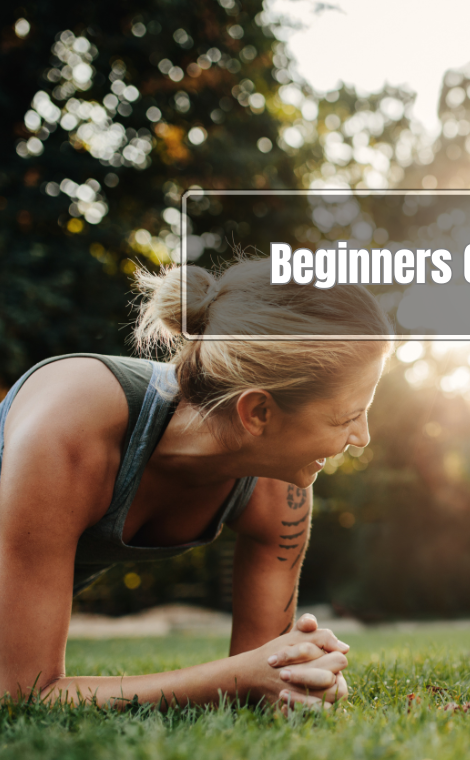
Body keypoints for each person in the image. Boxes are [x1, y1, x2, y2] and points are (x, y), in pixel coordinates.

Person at [0, 258, 393, 710]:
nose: (362, 437)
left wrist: (300, 676)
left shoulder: (279, 490)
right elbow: (23, 692)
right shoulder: (70, 427)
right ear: (258, 413)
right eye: (346, 417)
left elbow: (266, 674)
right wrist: (234, 677)